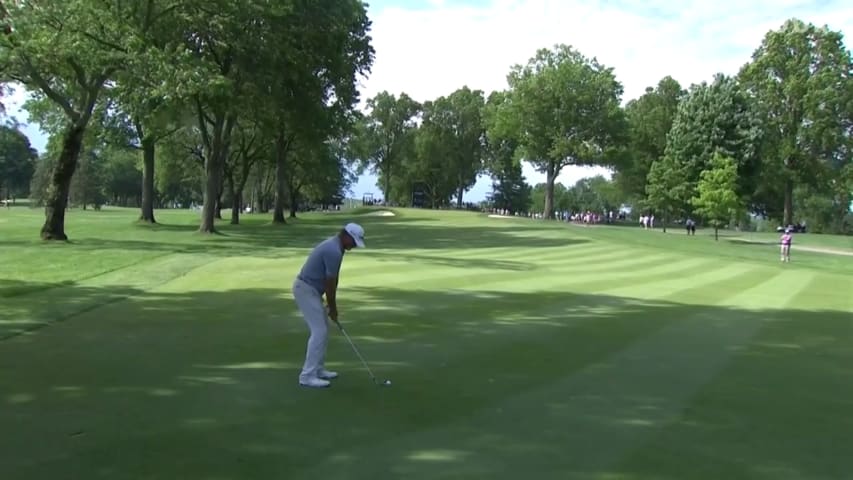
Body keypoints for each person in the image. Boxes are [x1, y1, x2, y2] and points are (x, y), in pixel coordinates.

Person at [292, 223, 366, 388]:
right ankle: (307, 375)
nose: (354, 245)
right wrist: (332, 307)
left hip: (312, 290)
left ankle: (318, 369)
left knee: (323, 329)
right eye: (353, 241)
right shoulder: (333, 250)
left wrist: (330, 305)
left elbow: (333, 280)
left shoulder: (336, 247)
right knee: (319, 331)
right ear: (346, 235)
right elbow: (330, 284)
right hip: (305, 289)